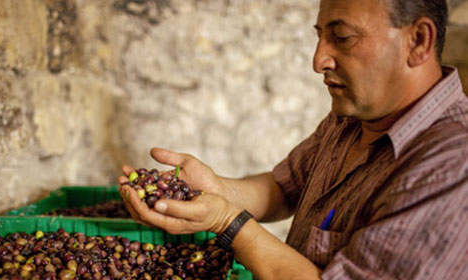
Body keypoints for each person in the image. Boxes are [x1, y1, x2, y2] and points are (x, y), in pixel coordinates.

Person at [119, 0, 468, 278]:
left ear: (418, 41)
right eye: (319, 36)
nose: (319, 61)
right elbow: (285, 188)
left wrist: (228, 223)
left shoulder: (452, 166)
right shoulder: (352, 117)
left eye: (342, 37)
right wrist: (216, 190)